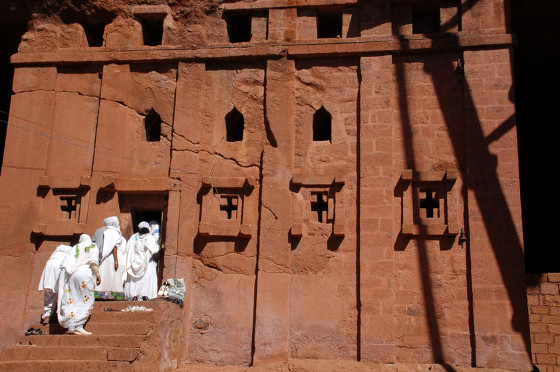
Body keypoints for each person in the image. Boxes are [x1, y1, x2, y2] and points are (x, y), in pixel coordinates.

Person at [57, 234, 100, 335]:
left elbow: (67, 263)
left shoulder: (75, 247)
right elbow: (93, 262)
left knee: (72, 299)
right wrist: (98, 274)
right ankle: (79, 326)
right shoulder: (93, 246)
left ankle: (71, 326)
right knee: (86, 300)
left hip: (72, 275)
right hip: (85, 274)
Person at [38, 244, 72, 325]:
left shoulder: (56, 252)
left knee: (49, 291)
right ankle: (61, 316)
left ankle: (47, 315)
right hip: (61, 266)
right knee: (62, 292)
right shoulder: (70, 251)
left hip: (50, 266)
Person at [125, 221, 159, 300]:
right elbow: (155, 250)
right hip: (148, 263)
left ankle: (133, 295)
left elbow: (128, 250)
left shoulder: (133, 237)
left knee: (134, 281)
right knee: (146, 279)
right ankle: (146, 295)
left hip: (134, 263)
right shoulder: (150, 238)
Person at [94, 216, 127, 293]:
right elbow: (114, 247)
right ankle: (113, 293)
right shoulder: (114, 232)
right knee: (112, 274)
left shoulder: (102, 231)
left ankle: (100, 292)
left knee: (103, 274)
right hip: (111, 257)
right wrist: (116, 260)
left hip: (102, 256)